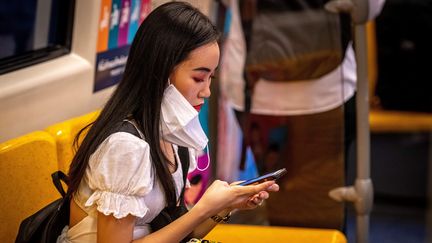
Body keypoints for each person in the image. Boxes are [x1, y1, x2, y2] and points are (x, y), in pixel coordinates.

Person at [58, 2, 279, 242]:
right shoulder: (125, 146)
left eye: (210, 79)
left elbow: (178, 232)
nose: (206, 92)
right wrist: (205, 208)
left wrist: (224, 206)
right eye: (198, 78)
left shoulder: (172, 135)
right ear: (161, 71)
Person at [218, 0, 385, 229]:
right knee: (323, 208)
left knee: (274, 195)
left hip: (256, 84)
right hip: (327, 88)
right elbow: (367, 7)